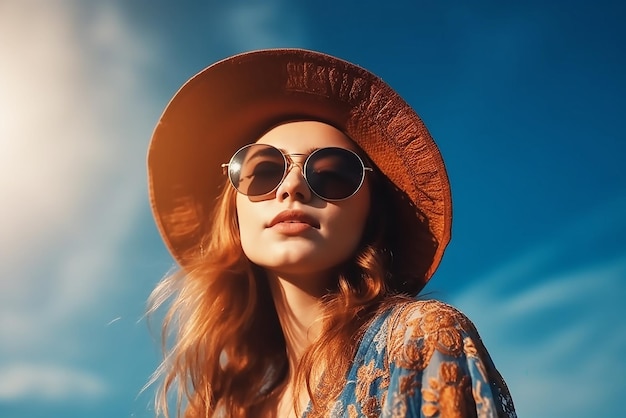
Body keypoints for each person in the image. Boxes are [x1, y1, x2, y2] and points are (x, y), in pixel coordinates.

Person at [146, 49, 516, 418]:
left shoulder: (418, 340)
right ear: (234, 214)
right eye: (262, 171)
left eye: (333, 174)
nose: (292, 187)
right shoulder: (226, 411)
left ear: (371, 214)